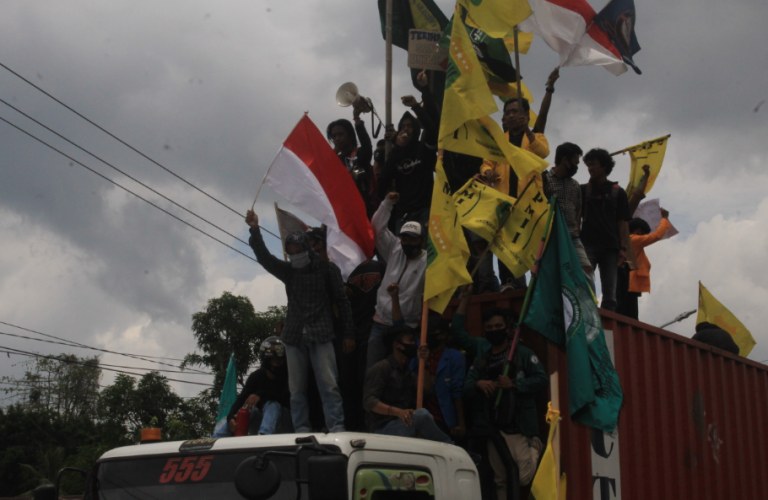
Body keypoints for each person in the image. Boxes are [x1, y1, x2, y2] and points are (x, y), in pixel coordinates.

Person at [245, 211, 355, 433]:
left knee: (329, 385)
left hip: (322, 333)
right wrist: (255, 229)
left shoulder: (327, 269)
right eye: (291, 252)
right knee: (296, 390)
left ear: (308, 249)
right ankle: (301, 430)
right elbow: (265, 259)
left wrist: (348, 334)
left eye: (299, 251)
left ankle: (337, 427)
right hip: (294, 336)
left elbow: (343, 303)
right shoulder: (289, 271)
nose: (295, 256)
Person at [463, 307, 547, 496]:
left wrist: (514, 384)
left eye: (499, 326)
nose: (494, 330)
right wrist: (479, 383)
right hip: (493, 427)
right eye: (490, 327)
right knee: (500, 479)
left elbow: (541, 379)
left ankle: (536, 445)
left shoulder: (523, 354)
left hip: (517, 426)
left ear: (507, 328)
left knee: (523, 477)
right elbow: (466, 388)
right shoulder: (482, 359)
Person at [480, 97, 550, 291]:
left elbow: (542, 153)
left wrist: (528, 129)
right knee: (506, 247)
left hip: (527, 203)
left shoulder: (536, 137)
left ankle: (533, 289)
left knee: (529, 248)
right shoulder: (499, 140)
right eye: (507, 112)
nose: (511, 116)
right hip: (504, 201)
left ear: (526, 115)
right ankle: (509, 284)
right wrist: (487, 171)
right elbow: (487, 162)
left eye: (515, 112)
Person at [362, 325, 452, 443]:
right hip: (382, 429)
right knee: (422, 416)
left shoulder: (408, 373)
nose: (414, 344)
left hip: (403, 425)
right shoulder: (382, 368)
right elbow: (369, 401)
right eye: (410, 340)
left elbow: (427, 391)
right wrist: (398, 412)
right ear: (397, 345)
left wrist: (424, 364)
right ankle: (450, 447)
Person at [367, 192, 427, 367]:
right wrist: (387, 203)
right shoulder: (394, 248)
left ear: (422, 241)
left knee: (404, 371)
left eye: (412, 239)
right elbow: (377, 229)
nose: (407, 243)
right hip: (379, 323)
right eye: (404, 238)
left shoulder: (429, 261)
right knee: (372, 369)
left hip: (406, 327)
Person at [377, 72, 439, 235]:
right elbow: (383, 179)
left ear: (416, 129)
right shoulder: (396, 153)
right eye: (403, 126)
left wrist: (416, 105)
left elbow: (433, 129)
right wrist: (396, 148)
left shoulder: (424, 148)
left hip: (426, 211)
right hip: (403, 214)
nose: (406, 128)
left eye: (410, 125)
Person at [580, 148, 632, 311]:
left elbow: (622, 223)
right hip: (587, 244)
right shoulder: (583, 190)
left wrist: (623, 248)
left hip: (611, 247)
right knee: (584, 283)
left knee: (610, 290)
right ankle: (588, 313)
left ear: (604, 166)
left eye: (593, 164)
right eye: (588, 165)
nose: (590, 168)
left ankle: (609, 321)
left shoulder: (618, 192)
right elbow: (576, 216)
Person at [341, 258, 387, 431]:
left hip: (374, 328)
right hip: (350, 331)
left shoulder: (379, 266)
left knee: (368, 379)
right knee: (347, 381)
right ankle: (352, 425)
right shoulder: (343, 269)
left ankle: (370, 425)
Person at [214, 336, 293, 437]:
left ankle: (265, 434)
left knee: (272, 403)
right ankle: (216, 438)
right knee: (248, 408)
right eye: (278, 362)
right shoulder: (256, 377)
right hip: (260, 423)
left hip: (285, 424)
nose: (282, 365)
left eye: (283, 362)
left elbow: (286, 400)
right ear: (268, 362)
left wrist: (261, 394)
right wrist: (230, 418)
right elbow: (241, 400)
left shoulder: (290, 377)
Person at [543, 142, 595, 288]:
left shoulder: (575, 185)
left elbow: (577, 212)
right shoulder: (544, 179)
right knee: (552, 276)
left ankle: (589, 306)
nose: (576, 167)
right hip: (550, 237)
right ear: (565, 160)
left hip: (573, 238)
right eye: (575, 162)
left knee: (586, 270)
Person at [410, 317, 467, 440]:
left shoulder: (455, 357)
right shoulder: (417, 352)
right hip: (415, 416)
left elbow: (457, 392)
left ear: (443, 335)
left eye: (429, 333)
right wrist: (420, 361)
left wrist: (460, 424)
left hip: (441, 418)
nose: (425, 337)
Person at [622, 208, 672, 319]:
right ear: (639, 231)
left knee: (628, 312)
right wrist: (665, 218)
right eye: (643, 234)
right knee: (630, 316)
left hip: (629, 283)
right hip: (629, 283)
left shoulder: (629, 242)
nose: (644, 237)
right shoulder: (632, 239)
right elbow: (656, 236)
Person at [327, 115, 376, 219]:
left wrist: (357, 120)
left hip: (364, 213)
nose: (337, 139)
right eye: (334, 136)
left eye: (341, 134)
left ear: (351, 136)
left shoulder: (360, 155)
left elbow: (366, 144)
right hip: (341, 214)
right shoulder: (334, 161)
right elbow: (321, 172)